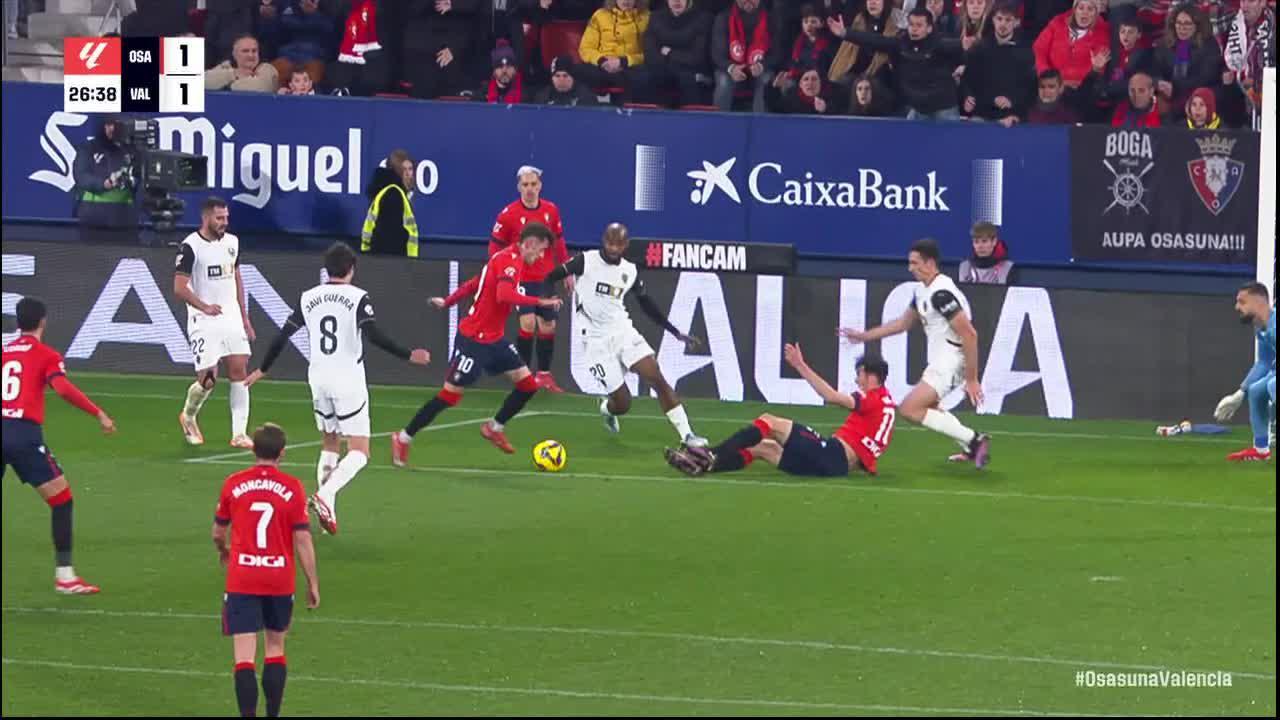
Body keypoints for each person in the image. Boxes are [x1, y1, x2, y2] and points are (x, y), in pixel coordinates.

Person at [245, 243, 430, 534]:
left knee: (330, 442)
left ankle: (324, 508)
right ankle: (326, 495)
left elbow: (283, 334)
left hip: (318, 377)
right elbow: (373, 334)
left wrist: (263, 368)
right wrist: (408, 355)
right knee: (360, 451)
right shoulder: (357, 298)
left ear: (326, 269)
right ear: (351, 269)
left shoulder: (309, 297)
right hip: (348, 379)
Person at [391, 223, 564, 464]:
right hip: (473, 340)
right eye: (541, 250)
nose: (541, 256)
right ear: (530, 244)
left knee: (527, 385)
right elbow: (503, 295)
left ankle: (495, 428)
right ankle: (403, 438)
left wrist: (449, 301)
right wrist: (541, 302)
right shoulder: (510, 262)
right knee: (449, 396)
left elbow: (475, 282)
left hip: (494, 339)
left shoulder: (504, 258)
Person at [543, 223, 708, 448]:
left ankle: (687, 435)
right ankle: (606, 409)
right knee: (623, 403)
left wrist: (675, 332)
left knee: (656, 376)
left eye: (618, 244)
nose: (613, 248)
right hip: (594, 340)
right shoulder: (585, 261)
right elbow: (551, 275)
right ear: (604, 241)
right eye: (609, 242)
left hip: (622, 332)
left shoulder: (630, 271)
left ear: (625, 245)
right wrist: (545, 302)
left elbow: (646, 304)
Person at [838, 238, 992, 467]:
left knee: (910, 408)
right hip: (943, 359)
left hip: (953, 360)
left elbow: (970, 335)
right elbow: (902, 324)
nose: (910, 268)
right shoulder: (922, 291)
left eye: (915, 263)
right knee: (927, 408)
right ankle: (972, 444)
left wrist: (972, 379)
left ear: (930, 263)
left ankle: (973, 440)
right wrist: (863, 336)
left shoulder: (942, 294)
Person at [2, 297, 116, 595]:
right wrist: (98, 412)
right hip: (23, 435)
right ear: (43, 321)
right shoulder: (46, 354)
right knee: (61, 500)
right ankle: (65, 576)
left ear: (18, 322)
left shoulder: (4, 352)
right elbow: (62, 388)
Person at [212, 423, 319, 719]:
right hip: (279, 579)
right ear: (282, 453)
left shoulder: (233, 483)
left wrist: (224, 552)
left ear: (253, 450)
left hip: (243, 576)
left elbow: (218, 532)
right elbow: (303, 539)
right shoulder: (293, 487)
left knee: (244, 657)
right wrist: (312, 582)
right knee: (275, 648)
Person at [666, 352, 895, 478]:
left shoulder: (871, 398)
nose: (857, 380)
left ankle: (709, 452)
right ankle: (704, 466)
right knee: (764, 448)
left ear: (867, 373)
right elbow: (871, 450)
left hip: (832, 454)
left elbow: (832, 397)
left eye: (859, 374)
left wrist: (800, 365)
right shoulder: (887, 404)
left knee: (770, 421)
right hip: (836, 468)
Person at [175, 197, 256, 449]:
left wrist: (244, 317)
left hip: (230, 315)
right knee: (208, 379)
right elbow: (178, 287)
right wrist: (204, 306)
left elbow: (237, 279)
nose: (224, 222)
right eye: (219, 218)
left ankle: (239, 433)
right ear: (206, 217)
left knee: (239, 369)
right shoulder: (190, 246)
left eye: (226, 218)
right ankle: (188, 416)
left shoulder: (233, 243)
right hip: (203, 318)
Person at [489, 166, 572, 391]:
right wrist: (499, 272)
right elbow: (495, 246)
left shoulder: (551, 210)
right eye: (525, 185)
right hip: (521, 278)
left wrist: (567, 270)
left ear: (540, 186)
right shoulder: (508, 214)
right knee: (527, 323)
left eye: (533, 184)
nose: (529, 189)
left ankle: (544, 375)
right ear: (519, 187)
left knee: (548, 325)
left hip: (546, 278)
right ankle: (523, 376)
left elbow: (560, 241)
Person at [831, 7, 967, 120]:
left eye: (919, 25)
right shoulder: (901, 44)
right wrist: (845, 33)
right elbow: (875, 40)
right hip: (918, 110)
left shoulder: (939, 44)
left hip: (943, 110)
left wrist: (964, 45)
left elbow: (957, 48)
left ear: (929, 28)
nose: (914, 29)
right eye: (911, 24)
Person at [1215, 282, 1275, 461]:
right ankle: (1261, 450)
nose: (1237, 307)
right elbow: (1264, 363)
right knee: (1256, 391)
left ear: (1259, 302)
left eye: (1242, 302)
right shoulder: (1262, 329)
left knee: (1273, 385)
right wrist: (1240, 393)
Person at [73, 115, 138, 245]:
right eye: (108, 125)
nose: (111, 129)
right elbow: (81, 176)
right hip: (93, 219)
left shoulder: (130, 150)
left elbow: (140, 179)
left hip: (124, 219)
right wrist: (103, 183)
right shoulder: (88, 148)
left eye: (115, 125)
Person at [360, 149, 419, 257]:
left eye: (410, 169)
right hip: (394, 265)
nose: (408, 174)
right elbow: (389, 237)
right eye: (403, 169)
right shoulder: (393, 194)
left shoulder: (391, 192)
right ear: (395, 171)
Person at [205, 34, 280, 93]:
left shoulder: (268, 70)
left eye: (254, 51)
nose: (251, 55)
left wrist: (227, 85)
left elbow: (260, 88)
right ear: (234, 54)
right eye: (245, 51)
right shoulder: (225, 67)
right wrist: (234, 74)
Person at [534, 54, 601, 105]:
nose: (561, 79)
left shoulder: (586, 97)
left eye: (565, 76)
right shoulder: (543, 97)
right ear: (552, 78)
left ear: (572, 77)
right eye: (557, 76)